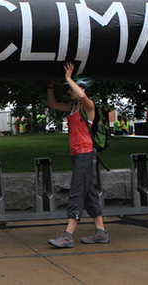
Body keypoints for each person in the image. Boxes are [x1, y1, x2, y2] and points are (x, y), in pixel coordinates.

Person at [46, 62, 108, 248]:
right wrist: (50, 86)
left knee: (76, 192)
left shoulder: (88, 106)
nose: (69, 91)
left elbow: (82, 95)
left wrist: (68, 78)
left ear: (80, 87)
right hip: (78, 155)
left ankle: (68, 235)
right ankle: (101, 232)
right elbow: (53, 104)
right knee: (89, 194)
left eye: (71, 88)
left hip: (85, 153)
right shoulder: (73, 107)